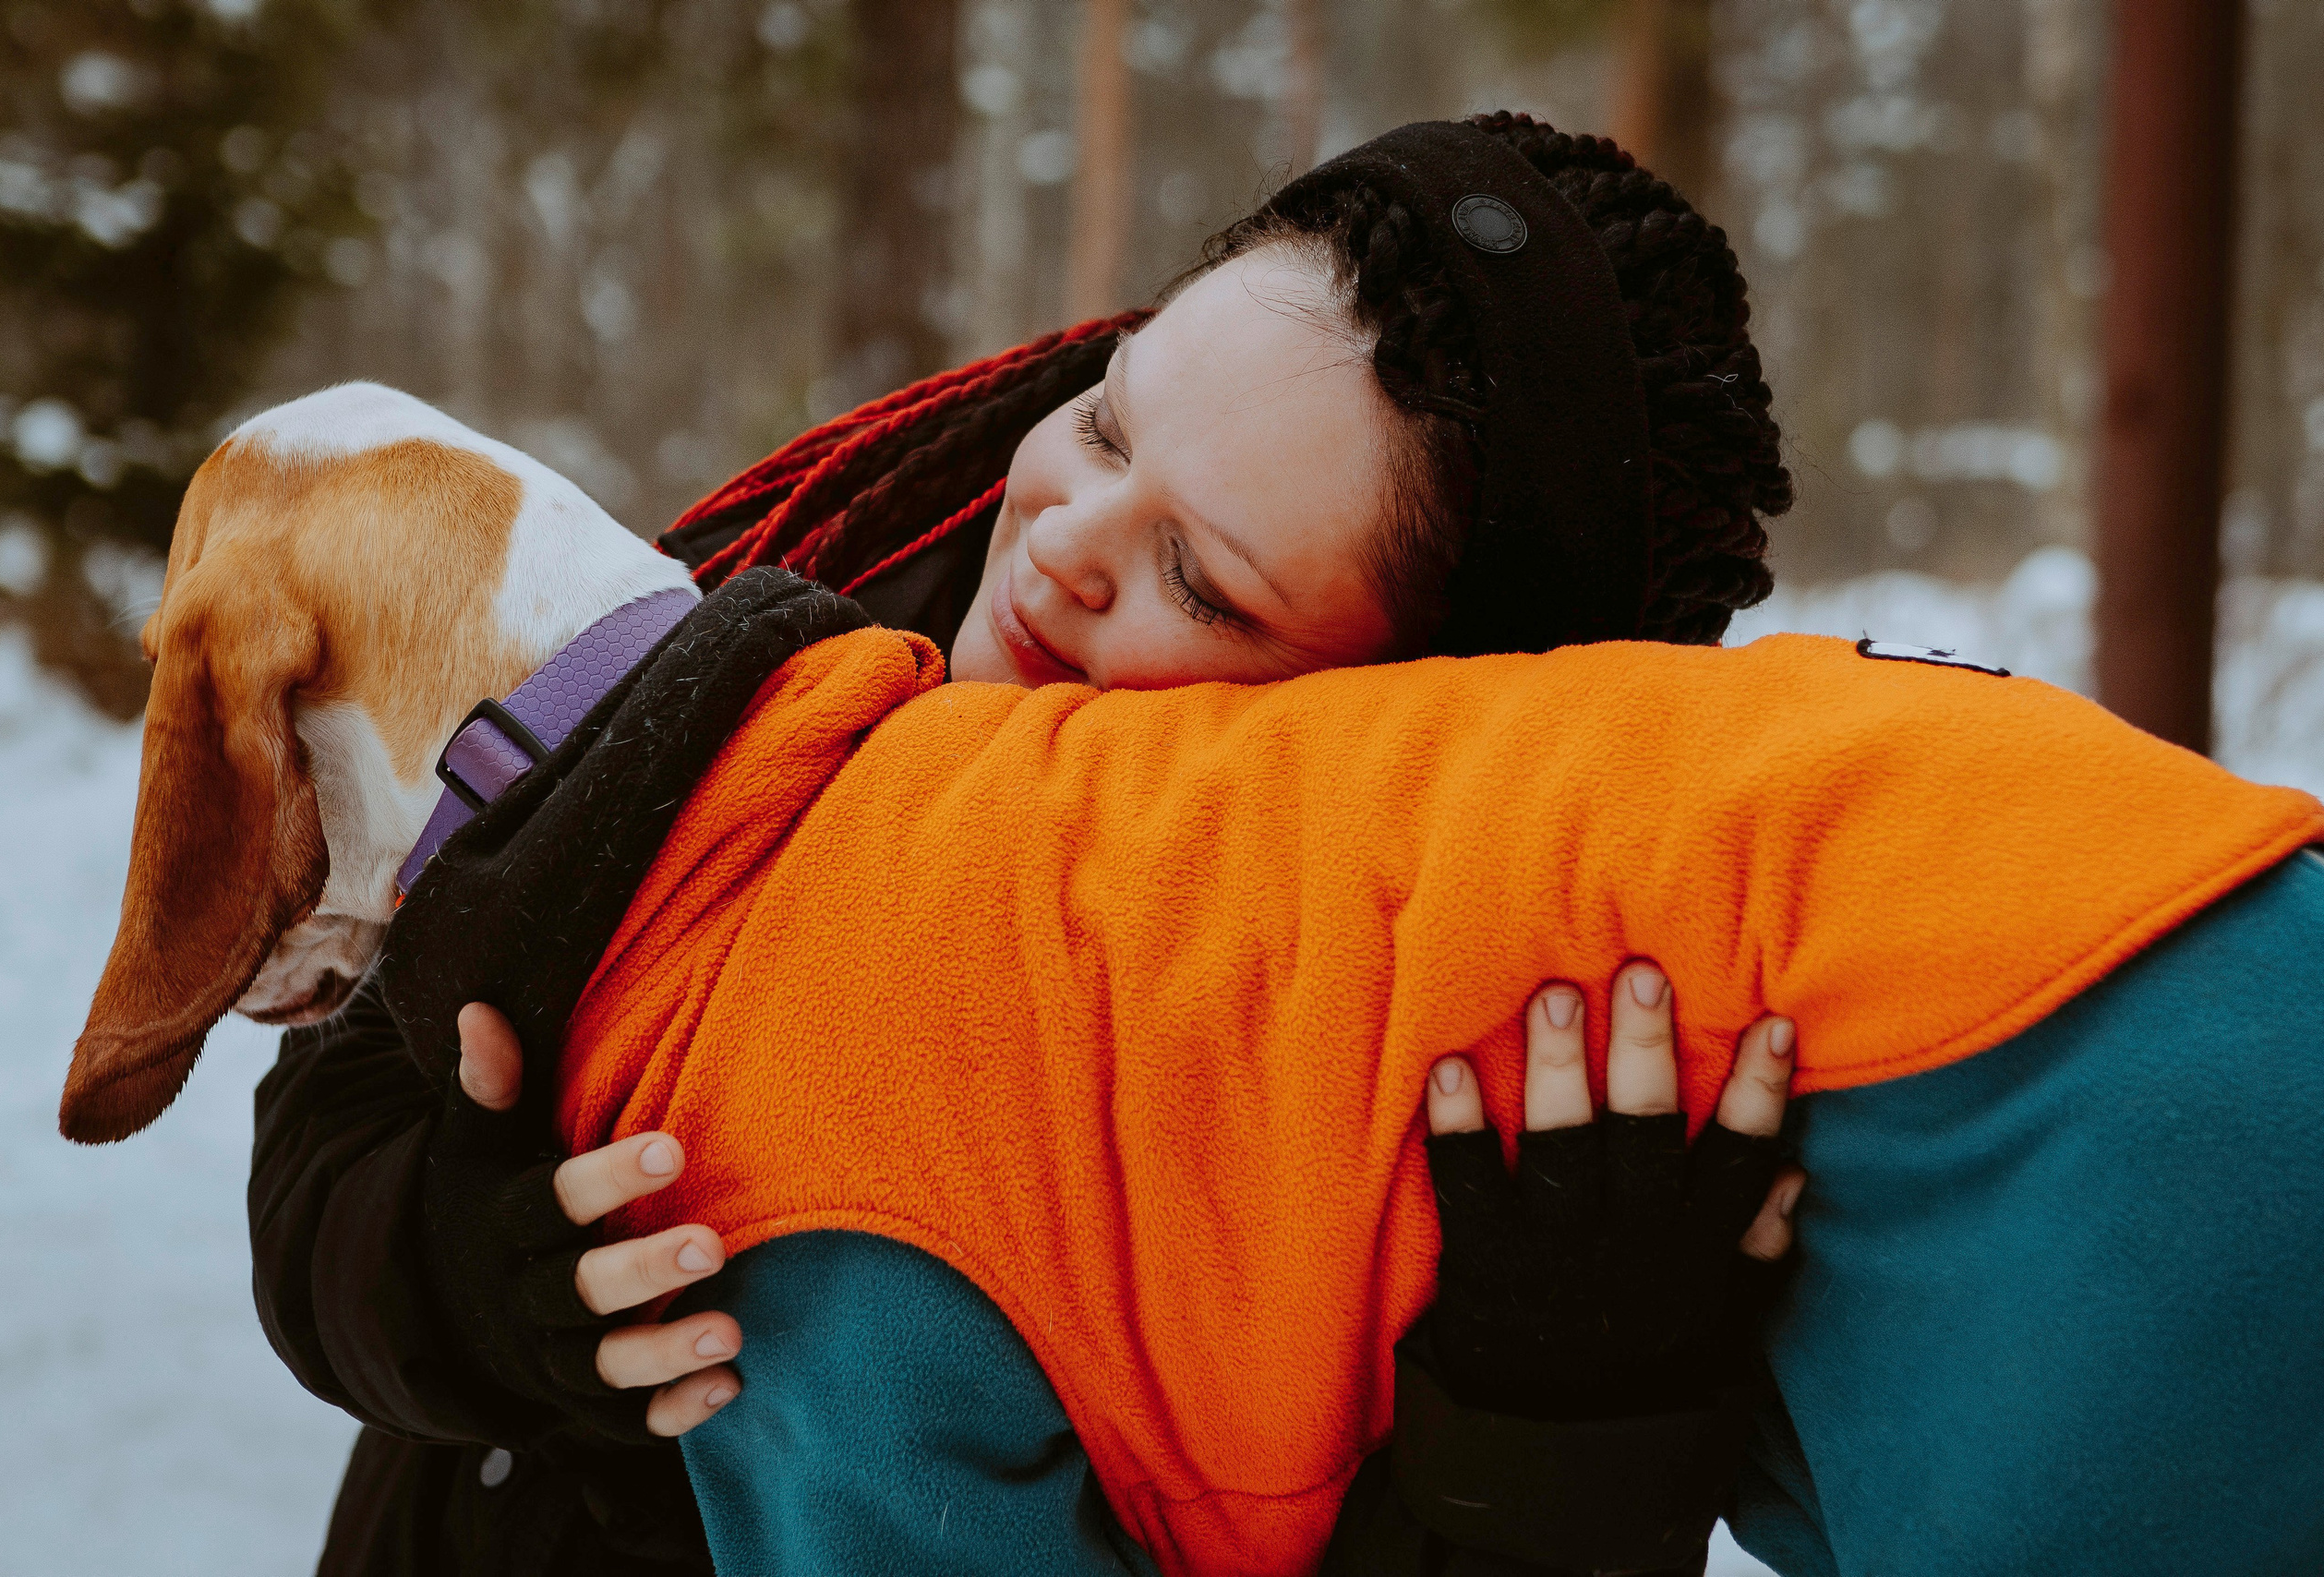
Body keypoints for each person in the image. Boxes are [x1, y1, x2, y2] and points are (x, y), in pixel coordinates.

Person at [254, 113, 1800, 1575]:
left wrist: (1562, 1444)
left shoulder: (1501, 1059)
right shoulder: (793, 605)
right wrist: (461, 1275)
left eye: (1203, 582)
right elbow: (323, 1138)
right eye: (1110, 423)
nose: (1060, 543)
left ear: (1402, 736)